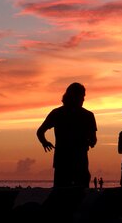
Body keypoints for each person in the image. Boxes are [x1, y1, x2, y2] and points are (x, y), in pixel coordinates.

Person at [36, 83, 97, 222]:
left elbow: (40, 132)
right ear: (74, 97)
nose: (83, 100)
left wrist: (44, 142)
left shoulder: (58, 113)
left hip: (66, 161)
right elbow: (93, 140)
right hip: (74, 162)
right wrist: (89, 141)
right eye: (82, 97)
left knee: (63, 196)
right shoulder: (86, 115)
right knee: (77, 195)